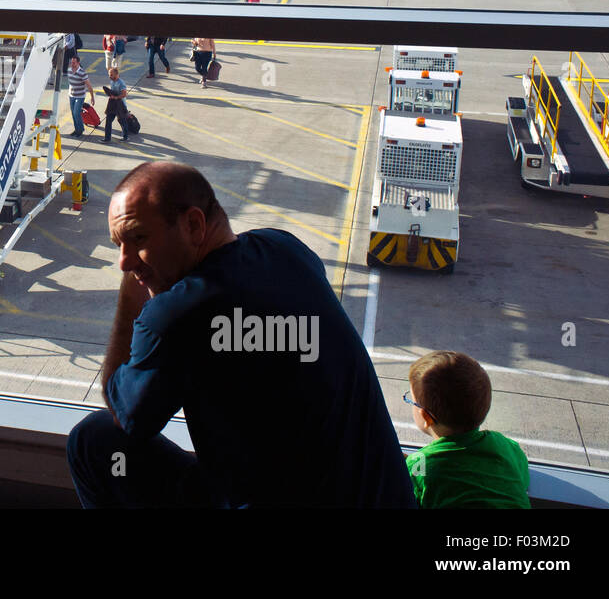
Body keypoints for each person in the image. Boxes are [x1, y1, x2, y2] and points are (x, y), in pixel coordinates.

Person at [66, 162, 416, 508]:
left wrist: (132, 298)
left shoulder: (177, 314)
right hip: (384, 496)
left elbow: (127, 418)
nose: (125, 263)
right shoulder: (286, 249)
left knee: (94, 441)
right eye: (119, 246)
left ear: (193, 224)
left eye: (137, 238)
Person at [404, 351, 531, 509]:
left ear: (426, 417)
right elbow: (523, 479)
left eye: (411, 399)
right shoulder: (505, 447)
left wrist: (408, 463)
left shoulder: (420, 464)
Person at [102, 66, 132, 143]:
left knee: (122, 121)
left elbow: (124, 94)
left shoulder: (121, 83)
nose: (109, 76)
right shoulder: (112, 81)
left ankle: (125, 137)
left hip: (120, 106)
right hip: (113, 105)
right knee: (108, 121)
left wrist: (115, 97)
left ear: (116, 74)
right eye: (109, 74)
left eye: (111, 75)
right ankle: (107, 138)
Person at [67, 56, 95, 138]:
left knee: (76, 113)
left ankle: (80, 130)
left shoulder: (82, 73)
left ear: (78, 63)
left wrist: (92, 97)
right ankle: (77, 129)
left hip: (80, 96)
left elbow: (89, 86)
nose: (72, 64)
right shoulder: (69, 71)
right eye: (71, 62)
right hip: (71, 95)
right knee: (73, 113)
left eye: (74, 62)